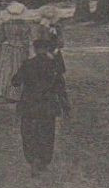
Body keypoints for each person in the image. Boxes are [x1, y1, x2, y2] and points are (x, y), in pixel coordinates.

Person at [11, 37, 70, 173]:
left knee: (28, 133)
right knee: (47, 133)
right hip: (48, 105)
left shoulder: (27, 64)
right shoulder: (54, 65)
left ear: (35, 49)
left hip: (29, 105)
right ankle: (43, 160)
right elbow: (60, 87)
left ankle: (32, 160)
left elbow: (15, 82)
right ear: (47, 49)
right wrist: (65, 106)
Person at [0, 3, 37, 101]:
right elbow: (29, 39)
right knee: (17, 69)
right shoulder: (25, 25)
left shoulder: (6, 24)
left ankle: (3, 91)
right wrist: (31, 50)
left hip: (8, 49)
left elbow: (0, 38)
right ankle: (15, 93)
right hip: (20, 49)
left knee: (6, 70)